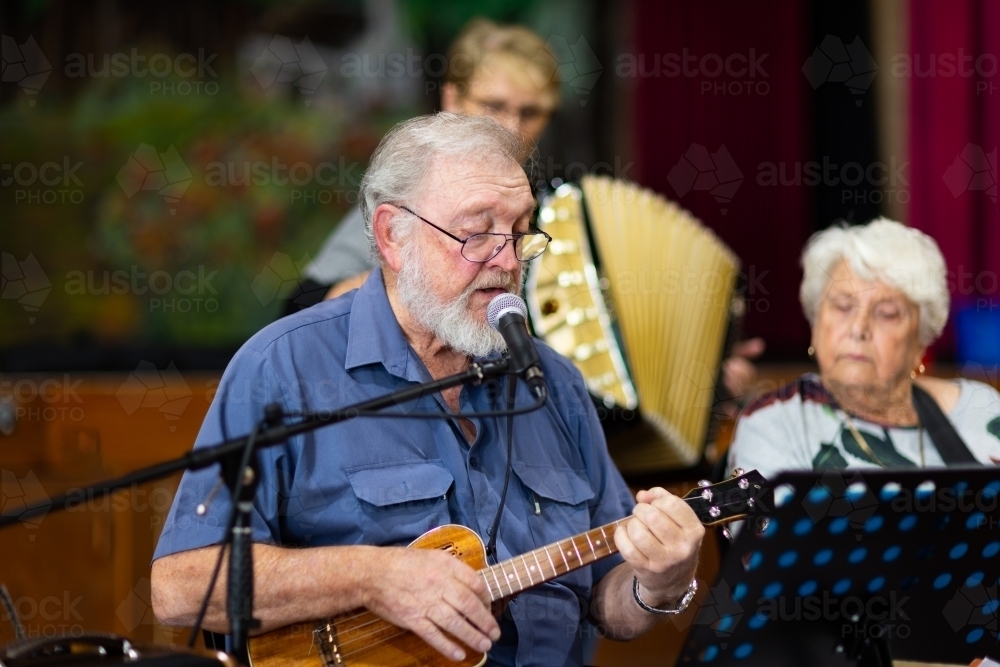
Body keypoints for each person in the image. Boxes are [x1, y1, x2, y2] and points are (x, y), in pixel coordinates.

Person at [151, 114, 705, 667]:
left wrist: (656, 586)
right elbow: (182, 587)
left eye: (520, 233)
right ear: (394, 235)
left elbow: (609, 600)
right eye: (478, 233)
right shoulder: (285, 366)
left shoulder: (552, 383)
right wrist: (372, 578)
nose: (508, 261)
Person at [285, 17, 765, 404]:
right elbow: (306, 305)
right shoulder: (418, 195)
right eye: (494, 104)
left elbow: (630, 340)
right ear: (452, 99)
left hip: (558, 430)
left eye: (531, 112)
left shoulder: (571, 211)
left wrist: (696, 375)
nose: (512, 127)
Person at [727, 218, 1000, 481]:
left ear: (920, 342)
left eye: (886, 313)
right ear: (815, 322)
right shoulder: (772, 423)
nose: (858, 328)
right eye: (843, 307)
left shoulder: (982, 410)